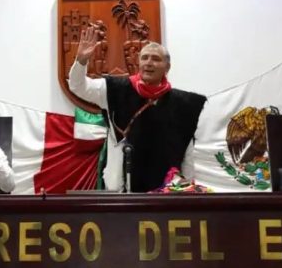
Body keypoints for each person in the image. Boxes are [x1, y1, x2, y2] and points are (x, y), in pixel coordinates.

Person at [68, 26, 206, 192]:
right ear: (138, 62)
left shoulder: (184, 103)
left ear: (167, 67)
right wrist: (81, 61)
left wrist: (188, 190)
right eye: (145, 58)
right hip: (122, 190)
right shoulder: (114, 89)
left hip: (166, 193)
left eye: (155, 59)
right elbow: (78, 86)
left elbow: (186, 150)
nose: (149, 63)